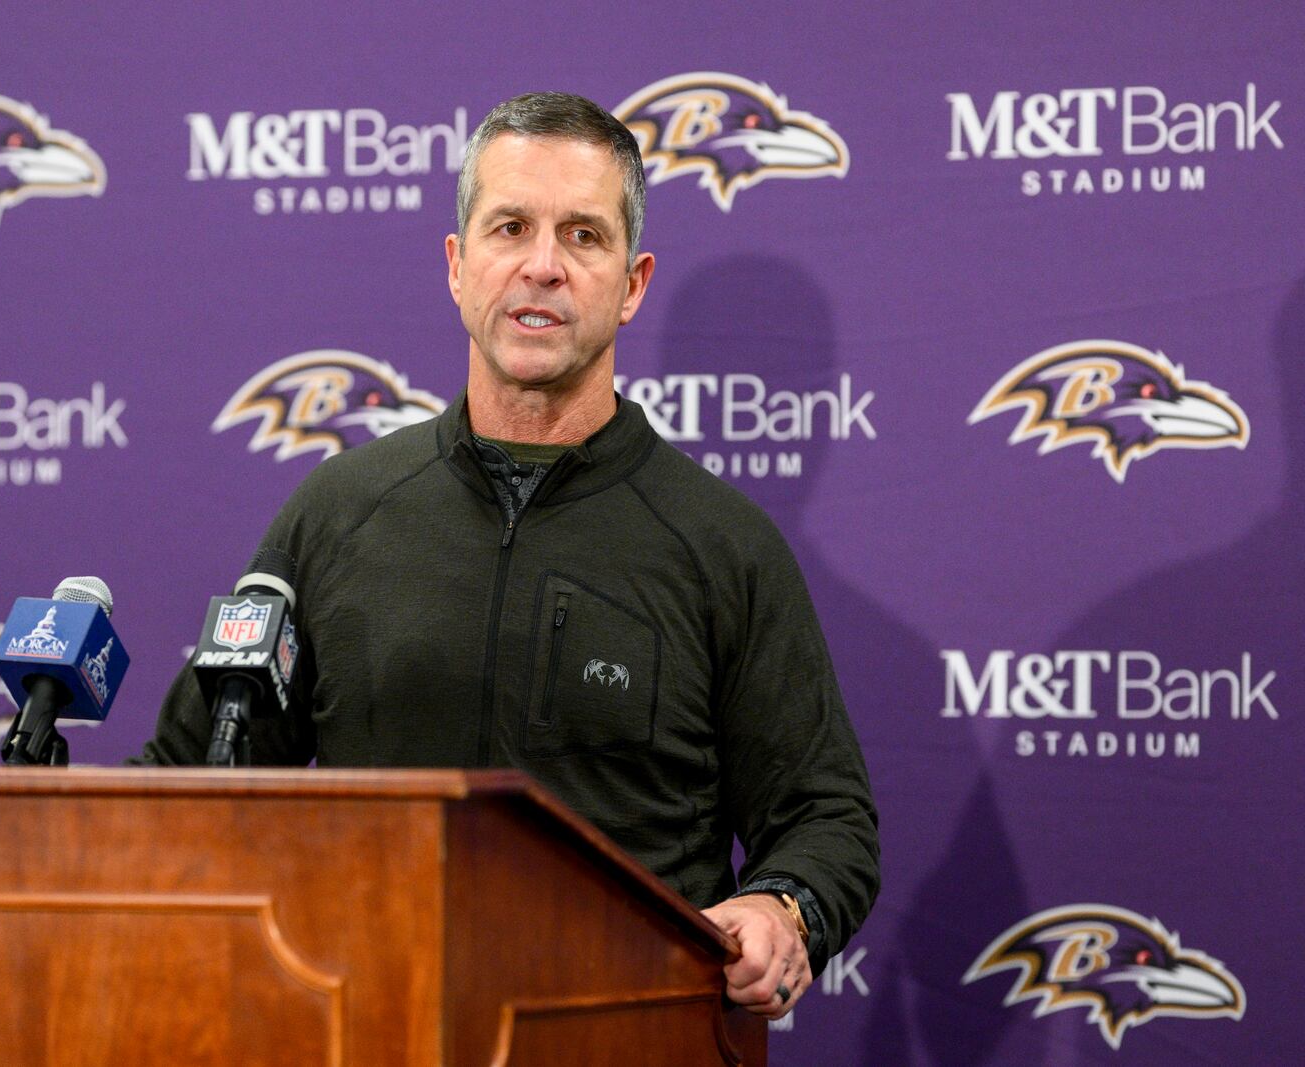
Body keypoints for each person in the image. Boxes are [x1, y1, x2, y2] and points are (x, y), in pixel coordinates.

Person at [135, 91, 878, 1020]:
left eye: (582, 235)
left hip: (626, 1036)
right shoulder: (338, 513)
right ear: (457, 265)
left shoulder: (724, 547)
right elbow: (195, 772)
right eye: (510, 227)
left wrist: (783, 908)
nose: (542, 266)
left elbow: (827, 820)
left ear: (633, 280)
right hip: (364, 1024)